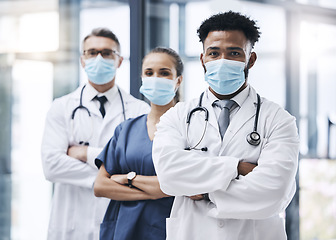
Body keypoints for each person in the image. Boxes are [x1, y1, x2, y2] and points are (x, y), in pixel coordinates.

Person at [152, 11, 300, 240]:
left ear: (250, 59)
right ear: (202, 59)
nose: (222, 60)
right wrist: (237, 167)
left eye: (234, 53)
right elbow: (168, 176)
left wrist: (203, 191)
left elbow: (272, 192)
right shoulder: (178, 116)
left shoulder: (279, 121)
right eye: (214, 53)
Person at [41, 28, 150, 240]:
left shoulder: (139, 111)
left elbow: (139, 167)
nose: (99, 58)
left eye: (107, 53)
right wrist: (108, 180)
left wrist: (86, 154)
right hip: (71, 226)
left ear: (119, 61)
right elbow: (52, 165)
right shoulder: (62, 107)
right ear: (82, 59)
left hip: (119, 223)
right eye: (92, 52)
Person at [93, 47, 183, 240]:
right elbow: (100, 186)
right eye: (149, 73)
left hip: (168, 229)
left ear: (178, 80)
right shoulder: (126, 129)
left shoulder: (190, 128)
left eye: (164, 73)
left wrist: (128, 179)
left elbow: (189, 187)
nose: (155, 78)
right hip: (123, 229)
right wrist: (154, 193)